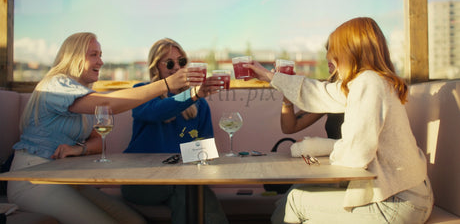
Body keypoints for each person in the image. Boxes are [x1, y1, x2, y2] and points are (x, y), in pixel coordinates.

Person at [248, 17, 433, 223]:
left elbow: (357, 154)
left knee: (295, 199)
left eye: (334, 49)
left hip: (397, 203)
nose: (329, 55)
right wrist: (269, 76)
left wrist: (319, 147)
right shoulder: (372, 82)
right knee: (300, 193)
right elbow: (320, 92)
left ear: (350, 49)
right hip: (407, 196)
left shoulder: (368, 82)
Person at [8, 32, 197, 224]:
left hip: (66, 178)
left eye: (101, 54)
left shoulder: (83, 96)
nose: (101, 61)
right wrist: (166, 85)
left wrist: (78, 149)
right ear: (74, 57)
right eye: (94, 55)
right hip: (34, 178)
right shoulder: (56, 85)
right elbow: (109, 104)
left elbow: (98, 141)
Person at [121, 38, 228, 224]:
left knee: (187, 194)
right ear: (156, 67)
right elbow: (158, 111)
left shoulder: (199, 103)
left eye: (182, 62)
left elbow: (206, 149)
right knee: (188, 190)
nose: (177, 67)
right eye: (170, 63)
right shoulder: (142, 92)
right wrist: (193, 94)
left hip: (180, 181)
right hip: (139, 179)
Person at [280, 61, 343, 140]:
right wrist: (288, 87)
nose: (328, 57)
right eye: (328, 51)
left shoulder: (357, 88)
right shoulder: (330, 91)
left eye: (334, 52)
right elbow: (289, 127)